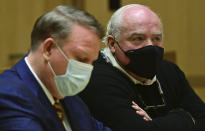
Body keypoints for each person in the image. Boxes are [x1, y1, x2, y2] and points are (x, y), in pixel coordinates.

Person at [79, 4, 205, 131]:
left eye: (156, 38)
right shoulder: (96, 76)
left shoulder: (170, 70)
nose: (150, 46)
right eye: (138, 38)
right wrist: (185, 118)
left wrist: (154, 125)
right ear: (112, 44)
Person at [0, 5, 111, 131]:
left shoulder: (66, 94)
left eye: (92, 62)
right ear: (48, 49)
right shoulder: (9, 96)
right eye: (81, 59)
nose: (87, 69)